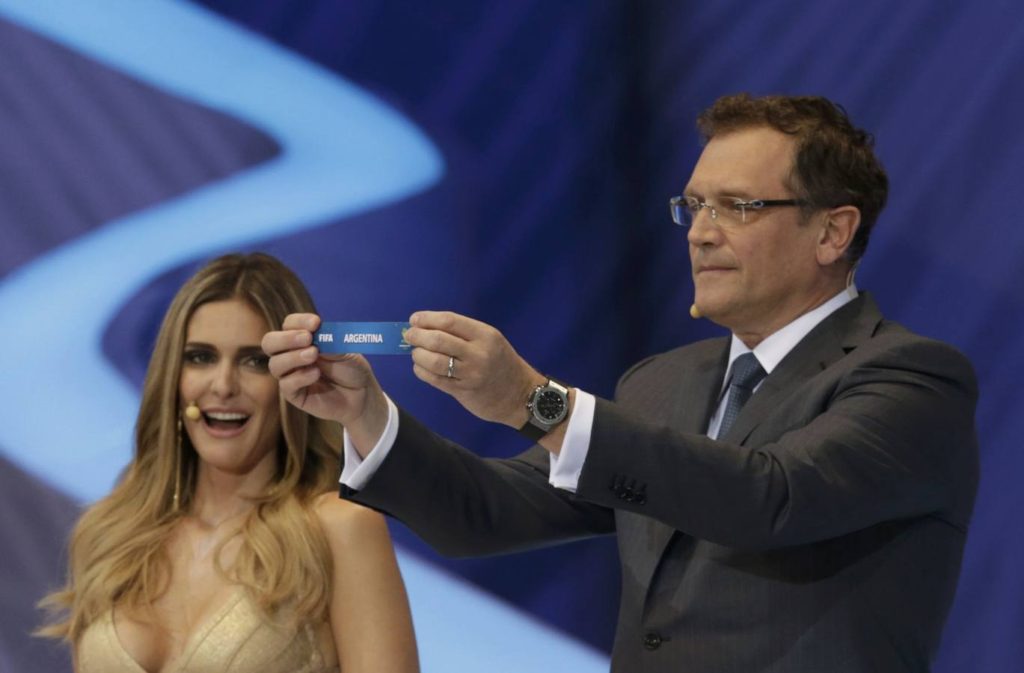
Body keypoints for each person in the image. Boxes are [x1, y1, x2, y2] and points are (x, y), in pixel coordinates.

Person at [263, 94, 979, 672]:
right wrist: (364, 412)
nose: (700, 233)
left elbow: (768, 498)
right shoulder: (663, 383)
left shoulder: (911, 380)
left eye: (737, 206)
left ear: (832, 231)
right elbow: (487, 513)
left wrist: (533, 400)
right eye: (694, 206)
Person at [39, 253, 418, 673]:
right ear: (172, 377)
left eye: (254, 361)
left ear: (295, 379)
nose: (222, 386)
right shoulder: (112, 534)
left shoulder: (340, 528)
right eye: (200, 357)